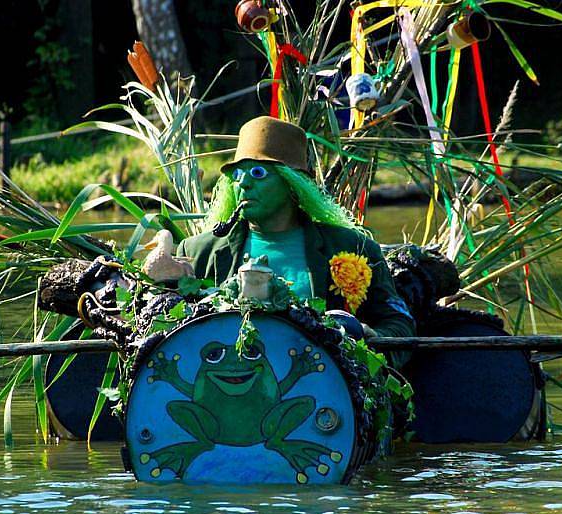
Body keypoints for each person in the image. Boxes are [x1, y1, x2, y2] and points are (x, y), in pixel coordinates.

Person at [177, 116, 414, 359]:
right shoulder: (197, 252)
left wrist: (367, 351)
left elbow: (398, 321)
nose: (243, 183)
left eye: (257, 173)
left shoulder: (354, 247)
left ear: (293, 183)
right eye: (237, 174)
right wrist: (161, 282)